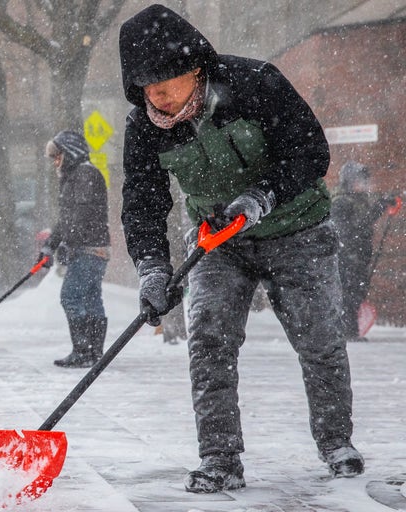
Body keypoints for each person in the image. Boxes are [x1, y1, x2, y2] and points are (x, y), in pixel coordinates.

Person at [118, 4, 363, 493]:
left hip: (297, 231)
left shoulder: (255, 84)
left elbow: (310, 149)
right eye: (147, 87)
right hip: (219, 241)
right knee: (208, 341)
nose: (158, 98)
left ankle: (337, 442)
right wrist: (151, 269)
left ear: (195, 69)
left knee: (318, 340)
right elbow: (143, 202)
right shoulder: (144, 127)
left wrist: (263, 194)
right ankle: (220, 457)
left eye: (166, 83)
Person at [37, 130, 110, 368]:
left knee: (71, 296)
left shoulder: (85, 174)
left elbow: (82, 213)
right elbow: (67, 220)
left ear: (71, 153)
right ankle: (93, 353)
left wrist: (70, 243)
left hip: (88, 248)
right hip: (90, 246)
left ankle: (83, 351)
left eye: (58, 156)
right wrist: (51, 245)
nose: (55, 162)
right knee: (90, 298)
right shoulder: (75, 177)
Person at [331, 160, 400, 341]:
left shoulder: (358, 201)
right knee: (349, 294)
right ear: (348, 181)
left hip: (358, 257)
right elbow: (351, 229)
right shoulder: (341, 202)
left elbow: (364, 221)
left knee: (356, 293)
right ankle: (348, 332)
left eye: (364, 181)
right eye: (358, 180)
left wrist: (382, 204)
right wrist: (379, 207)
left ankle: (350, 330)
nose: (363, 184)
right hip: (346, 257)